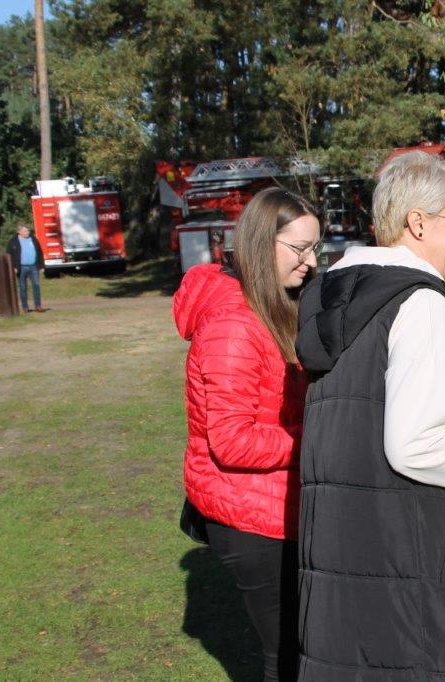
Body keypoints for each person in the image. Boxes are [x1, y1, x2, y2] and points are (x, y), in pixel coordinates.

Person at [294, 151, 445, 680]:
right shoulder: (421, 303)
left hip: (351, 554)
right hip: (414, 561)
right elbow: (415, 445)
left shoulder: (342, 296)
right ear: (418, 222)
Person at [172, 187, 321, 680]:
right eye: (300, 249)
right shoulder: (234, 326)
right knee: (286, 656)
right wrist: (315, 438)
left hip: (274, 504)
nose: (311, 262)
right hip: (250, 517)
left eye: (314, 248)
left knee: (301, 646)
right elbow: (233, 441)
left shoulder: (271, 308)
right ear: (261, 244)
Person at [6, 223, 46, 313]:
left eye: (28, 230)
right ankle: (25, 307)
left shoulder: (33, 239)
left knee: (36, 285)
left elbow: (39, 252)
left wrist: (41, 265)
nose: (27, 232)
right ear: (19, 232)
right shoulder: (13, 241)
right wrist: (13, 267)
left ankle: (38, 306)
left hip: (33, 267)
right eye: (25, 230)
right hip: (21, 268)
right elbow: (9, 255)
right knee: (23, 287)